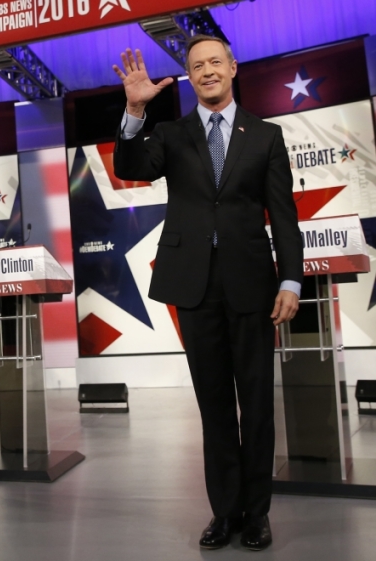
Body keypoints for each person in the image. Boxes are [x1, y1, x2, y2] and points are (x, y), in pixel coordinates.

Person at [112, 37, 302, 551]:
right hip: (194, 284)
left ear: (233, 68)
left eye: (215, 62)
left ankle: (257, 513)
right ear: (190, 77)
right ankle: (225, 512)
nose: (207, 72)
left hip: (254, 284)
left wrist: (290, 278)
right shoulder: (172, 133)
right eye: (197, 66)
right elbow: (130, 167)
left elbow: (283, 214)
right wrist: (134, 109)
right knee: (214, 404)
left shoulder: (265, 136)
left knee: (257, 404)